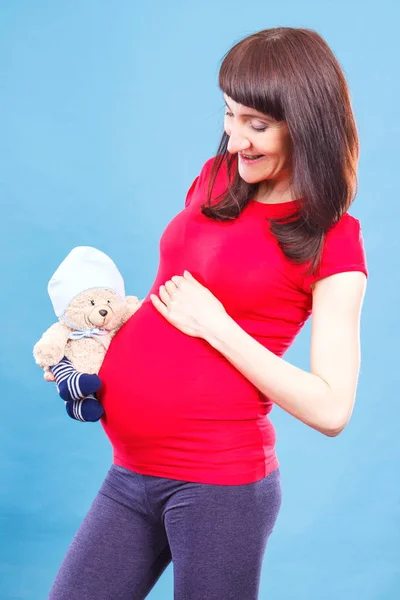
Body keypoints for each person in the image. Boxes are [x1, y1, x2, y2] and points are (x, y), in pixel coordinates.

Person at [47, 27, 368, 600]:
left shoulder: (333, 241)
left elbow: (332, 408)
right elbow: (172, 294)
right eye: (229, 114)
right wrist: (96, 344)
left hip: (220, 486)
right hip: (131, 469)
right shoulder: (216, 177)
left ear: (307, 123)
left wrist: (219, 327)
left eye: (257, 124)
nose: (235, 137)